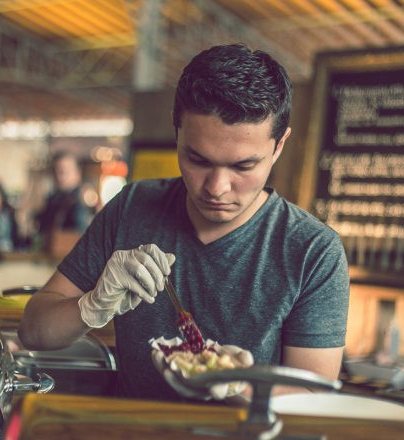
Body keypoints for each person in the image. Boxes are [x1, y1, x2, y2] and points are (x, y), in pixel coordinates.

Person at [18, 43, 349, 404]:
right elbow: (34, 331)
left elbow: (313, 397)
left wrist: (235, 386)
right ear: (177, 133)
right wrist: (91, 306)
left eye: (243, 166)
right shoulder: (134, 206)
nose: (217, 188)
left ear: (279, 145)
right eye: (197, 159)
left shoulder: (313, 251)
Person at [36, 151, 94, 236]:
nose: (60, 176)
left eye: (65, 171)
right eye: (57, 171)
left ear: (77, 173)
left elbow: (79, 234)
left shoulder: (81, 200)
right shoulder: (53, 199)